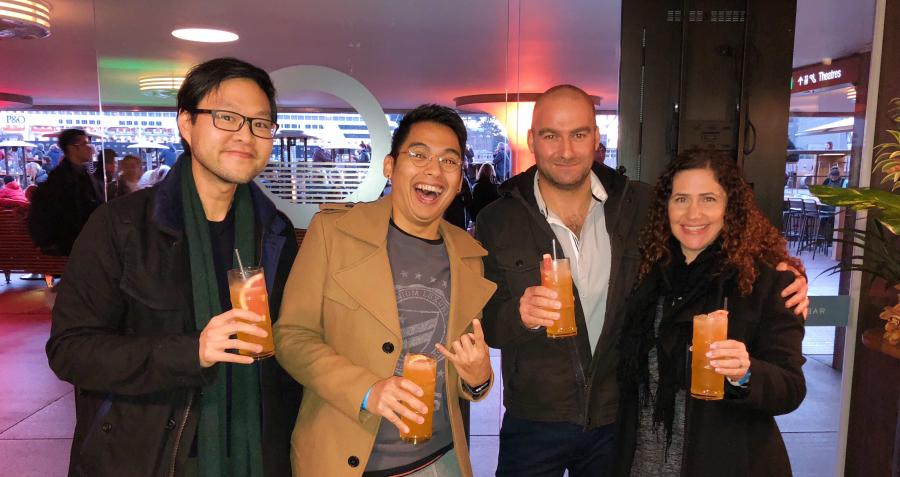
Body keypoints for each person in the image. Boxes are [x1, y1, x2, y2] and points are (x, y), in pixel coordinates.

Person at [475, 84, 809, 477]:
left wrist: (784, 267)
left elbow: (720, 233)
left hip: (616, 423)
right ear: (532, 140)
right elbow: (487, 321)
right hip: (536, 419)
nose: (566, 150)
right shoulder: (497, 220)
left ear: (596, 139)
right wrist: (519, 314)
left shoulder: (638, 205)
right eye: (551, 135)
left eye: (579, 134)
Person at [46, 57, 300, 477]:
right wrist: (191, 351)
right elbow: (70, 350)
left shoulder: (273, 231)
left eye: (260, 123)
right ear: (186, 123)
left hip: (255, 451)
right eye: (227, 117)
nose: (246, 135)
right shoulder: (122, 226)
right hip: (148, 455)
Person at [274, 104, 497, 477]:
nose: (433, 171)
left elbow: (463, 374)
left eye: (449, 161)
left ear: (460, 181)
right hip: (344, 460)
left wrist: (478, 381)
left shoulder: (469, 255)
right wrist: (367, 390)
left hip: (441, 460)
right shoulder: (333, 233)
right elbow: (291, 336)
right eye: (419, 154)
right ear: (390, 166)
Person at [616, 149, 806, 476]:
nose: (693, 213)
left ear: (730, 207)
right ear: (666, 207)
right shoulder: (644, 276)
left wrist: (745, 373)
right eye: (681, 199)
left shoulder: (766, 283)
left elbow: (790, 388)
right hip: (641, 464)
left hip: (727, 463)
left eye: (708, 199)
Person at [27, 128, 103, 256]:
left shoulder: (80, 174)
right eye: (85, 144)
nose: (90, 147)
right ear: (72, 148)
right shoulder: (61, 180)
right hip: (73, 245)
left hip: (83, 241)